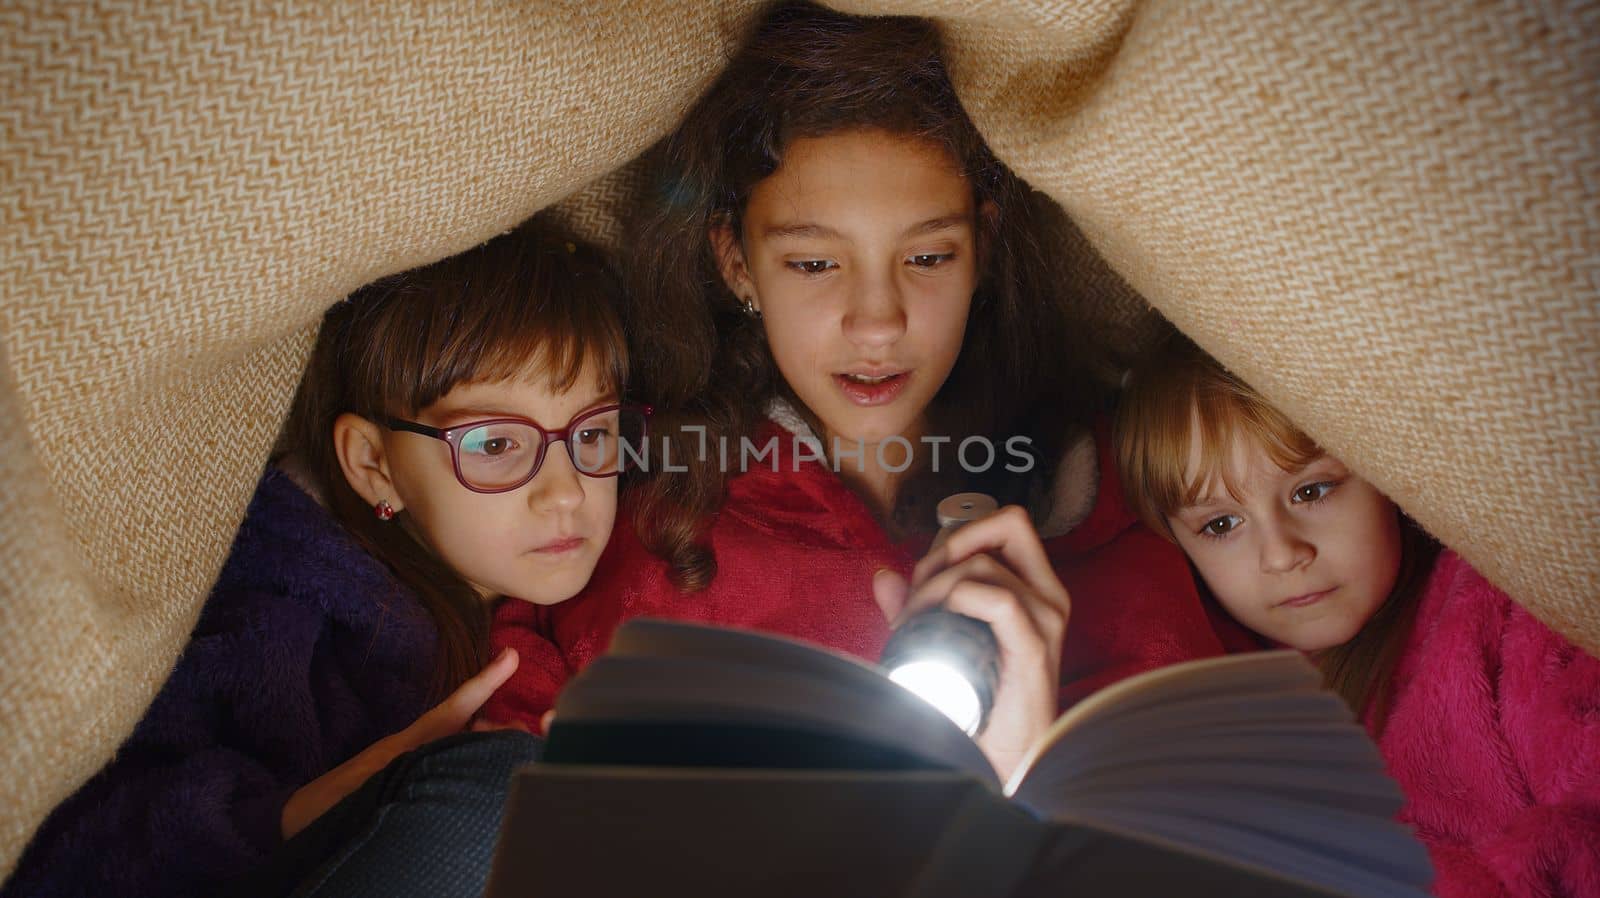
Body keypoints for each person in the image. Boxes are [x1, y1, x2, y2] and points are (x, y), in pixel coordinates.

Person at [486, 2, 1256, 781]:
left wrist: (1022, 773)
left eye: (927, 257)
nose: (878, 324)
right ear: (736, 263)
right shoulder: (643, 535)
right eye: (814, 264)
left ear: (982, 250)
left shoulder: (1125, 515)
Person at [3, 220, 644, 898]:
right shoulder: (281, 621)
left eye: (593, 433)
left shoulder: (629, 579)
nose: (567, 490)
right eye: (493, 446)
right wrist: (314, 806)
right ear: (374, 466)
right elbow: (71, 858)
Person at [1113, 333, 1600, 898]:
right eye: (1220, 525)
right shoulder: (1233, 705)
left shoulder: (1500, 613)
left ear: (1384, 472)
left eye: (1312, 490)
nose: (1282, 554)